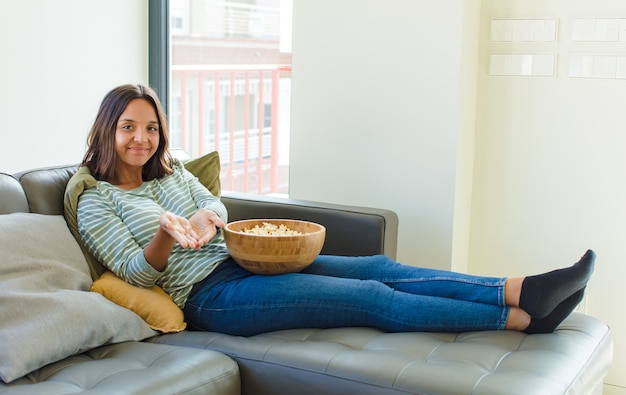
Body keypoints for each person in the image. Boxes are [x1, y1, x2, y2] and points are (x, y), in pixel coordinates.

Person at [71, 83, 595, 337]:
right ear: (108, 129)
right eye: (129, 127)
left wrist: (210, 215)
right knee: (368, 298)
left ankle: (523, 288)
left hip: (244, 260)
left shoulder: (171, 172)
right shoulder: (96, 198)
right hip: (214, 296)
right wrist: (164, 234)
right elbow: (137, 275)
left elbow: (209, 200)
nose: (142, 138)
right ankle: (523, 320)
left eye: (152, 127)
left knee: (378, 268)